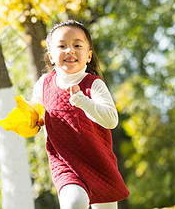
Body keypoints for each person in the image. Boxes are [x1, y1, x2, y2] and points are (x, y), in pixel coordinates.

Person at [31, 20, 129, 209]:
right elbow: (35, 112)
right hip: (65, 163)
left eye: (77, 45)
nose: (70, 50)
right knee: (75, 202)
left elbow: (111, 120)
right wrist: (31, 119)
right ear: (51, 56)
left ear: (89, 55)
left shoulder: (94, 84)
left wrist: (82, 100)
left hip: (99, 163)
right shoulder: (43, 84)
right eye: (62, 46)